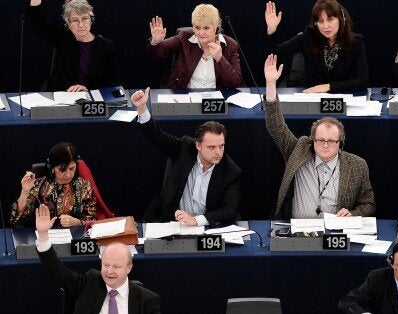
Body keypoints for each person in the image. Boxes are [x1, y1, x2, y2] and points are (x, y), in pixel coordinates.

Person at [264, 54, 375, 219]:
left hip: (334, 233)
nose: (325, 145)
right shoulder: (298, 150)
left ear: (340, 143)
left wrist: (352, 214)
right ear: (312, 140)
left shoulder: (357, 166)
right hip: (297, 230)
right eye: (320, 140)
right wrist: (271, 84)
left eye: (331, 141)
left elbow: (369, 205)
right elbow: (276, 127)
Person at [130, 88, 242, 226]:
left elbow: (228, 210)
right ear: (198, 146)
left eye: (221, 146)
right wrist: (141, 108)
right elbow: (158, 137)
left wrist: (196, 220)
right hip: (172, 221)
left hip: (207, 227)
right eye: (211, 147)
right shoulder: (184, 148)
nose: (218, 152)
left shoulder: (231, 172)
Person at [34, 205, 161, 313]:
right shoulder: (89, 283)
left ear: (129, 267)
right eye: (106, 265)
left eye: (116, 266)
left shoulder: (147, 301)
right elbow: (57, 272)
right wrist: (43, 234)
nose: (109, 271)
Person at [264, 0, 368, 92]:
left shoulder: (355, 42)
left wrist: (329, 86)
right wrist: (272, 29)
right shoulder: (309, 35)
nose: (326, 26)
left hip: (342, 98)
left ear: (341, 19)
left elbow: (362, 81)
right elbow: (277, 54)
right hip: (310, 96)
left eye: (330, 19)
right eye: (320, 21)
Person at [26, 0, 120, 92]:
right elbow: (38, 23)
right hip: (63, 95)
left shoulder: (106, 46)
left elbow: (112, 81)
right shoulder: (63, 39)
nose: (81, 25)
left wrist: (86, 89)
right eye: (75, 20)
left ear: (91, 19)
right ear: (68, 24)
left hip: (92, 98)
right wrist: (35, 2)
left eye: (85, 18)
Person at [147, 4, 242, 89]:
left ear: (217, 26)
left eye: (206, 28)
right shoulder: (184, 37)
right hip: (185, 97)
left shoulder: (230, 45)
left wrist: (220, 59)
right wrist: (155, 42)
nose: (201, 33)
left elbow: (235, 83)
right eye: (197, 27)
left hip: (216, 102)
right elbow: (158, 51)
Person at [11, 142, 96, 227]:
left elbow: (92, 220)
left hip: (75, 235)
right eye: (62, 170)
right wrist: (25, 191)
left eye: (72, 168)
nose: (68, 175)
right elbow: (17, 219)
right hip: (43, 234)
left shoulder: (84, 186)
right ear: (52, 168)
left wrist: (77, 222)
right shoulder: (39, 185)